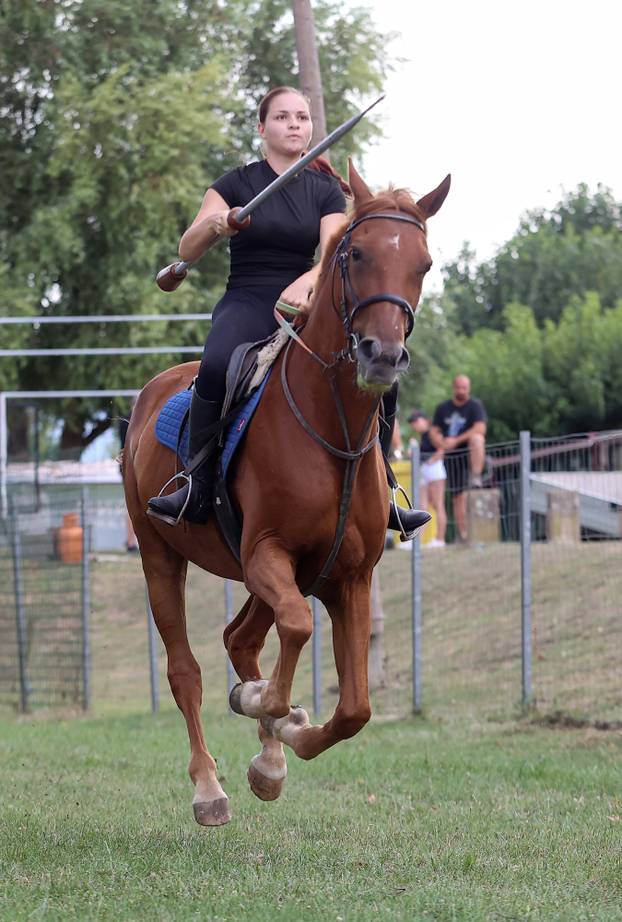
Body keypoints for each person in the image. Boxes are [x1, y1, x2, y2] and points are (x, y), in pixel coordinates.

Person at [147, 86, 429, 538]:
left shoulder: (325, 191)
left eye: (301, 117)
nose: (294, 124)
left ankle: (386, 488)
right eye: (282, 117)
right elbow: (188, 246)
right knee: (218, 365)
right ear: (262, 128)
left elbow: (334, 247)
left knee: (380, 375)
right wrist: (217, 223)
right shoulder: (235, 184)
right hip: (247, 297)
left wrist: (313, 278)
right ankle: (195, 485)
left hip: (307, 301)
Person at [429, 375, 487, 542]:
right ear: (454, 387)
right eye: (459, 387)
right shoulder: (443, 408)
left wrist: (457, 440)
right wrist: (442, 443)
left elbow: (480, 428)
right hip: (449, 457)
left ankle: (475, 476)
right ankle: (463, 534)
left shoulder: (475, 406)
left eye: (465, 387)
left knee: (477, 439)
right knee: (457, 497)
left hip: (468, 452)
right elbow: (434, 431)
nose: (461, 390)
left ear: (469, 388)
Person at [408, 410, 446, 547]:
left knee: (438, 504)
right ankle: (417, 541)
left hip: (435, 471)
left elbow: (442, 448)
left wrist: (432, 461)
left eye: (417, 421)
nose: (415, 425)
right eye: (413, 423)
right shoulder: (422, 436)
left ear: (425, 420)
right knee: (422, 506)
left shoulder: (432, 433)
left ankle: (440, 539)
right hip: (424, 472)